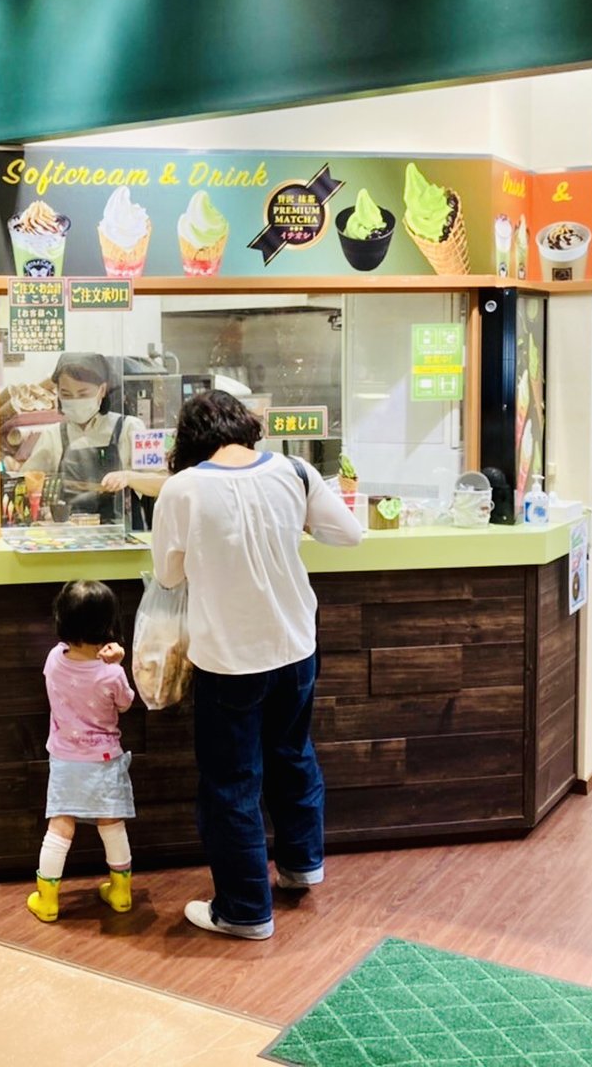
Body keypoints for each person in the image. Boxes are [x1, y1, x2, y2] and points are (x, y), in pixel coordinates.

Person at [151, 390, 363, 940]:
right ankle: (301, 864)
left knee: (231, 781)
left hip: (229, 657)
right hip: (295, 645)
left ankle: (245, 909)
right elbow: (349, 534)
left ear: (189, 440)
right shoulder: (294, 471)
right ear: (245, 427)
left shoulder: (183, 489)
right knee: (292, 754)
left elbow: (169, 578)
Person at [26, 580, 137, 923]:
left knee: (60, 826)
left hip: (65, 760)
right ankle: (121, 892)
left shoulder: (53, 660)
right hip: (104, 760)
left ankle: (47, 899)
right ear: (109, 626)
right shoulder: (111, 673)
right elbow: (126, 704)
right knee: (112, 823)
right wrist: (117, 661)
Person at [21, 353, 154, 522]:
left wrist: (128, 477)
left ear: (102, 390)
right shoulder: (53, 435)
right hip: (70, 537)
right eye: (66, 394)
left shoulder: (130, 428)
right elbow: (27, 484)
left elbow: (160, 482)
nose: (75, 400)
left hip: (120, 533)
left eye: (83, 394)